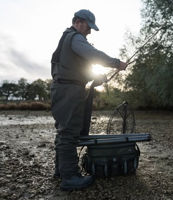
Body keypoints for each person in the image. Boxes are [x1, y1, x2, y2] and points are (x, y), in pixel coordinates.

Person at [50, 9, 127, 191]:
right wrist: (116, 62)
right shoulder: (75, 37)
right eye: (88, 27)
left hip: (65, 89)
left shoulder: (67, 40)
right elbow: (93, 54)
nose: (90, 31)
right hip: (68, 91)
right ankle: (70, 178)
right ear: (78, 22)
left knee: (64, 132)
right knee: (69, 133)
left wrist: (95, 79)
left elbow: (76, 70)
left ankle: (61, 171)